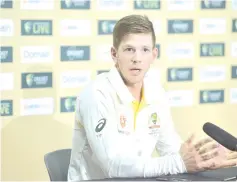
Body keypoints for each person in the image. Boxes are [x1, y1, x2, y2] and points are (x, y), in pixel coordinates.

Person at [67, 14, 237, 181]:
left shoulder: (156, 91)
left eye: (145, 50)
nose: (137, 58)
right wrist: (179, 162)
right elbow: (113, 166)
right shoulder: (97, 94)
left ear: (153, 55)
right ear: (114, 54)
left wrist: (204, 159)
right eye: (129, 49)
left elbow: (171, 150)